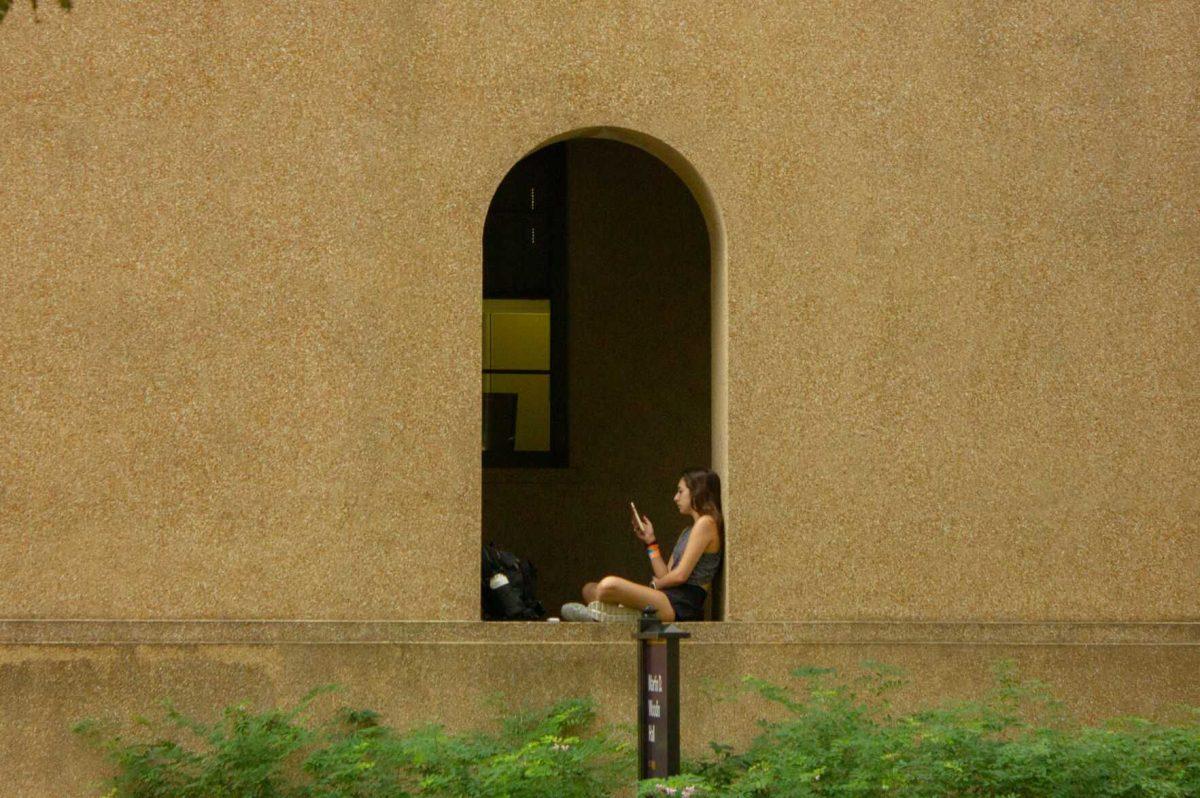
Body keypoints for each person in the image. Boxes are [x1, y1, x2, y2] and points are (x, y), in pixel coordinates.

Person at [560, 468, 723, 623]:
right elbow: (665, 574)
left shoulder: (706, 523)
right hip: (666, 597)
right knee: (589, 589)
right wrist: (651, 542)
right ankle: (618, 615)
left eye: (680, 491)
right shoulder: (688, 531)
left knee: (607, 585)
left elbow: (679, 576)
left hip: (681, 605)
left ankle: (607, 616)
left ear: (697, 491)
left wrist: (655, 586)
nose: (675, 498)